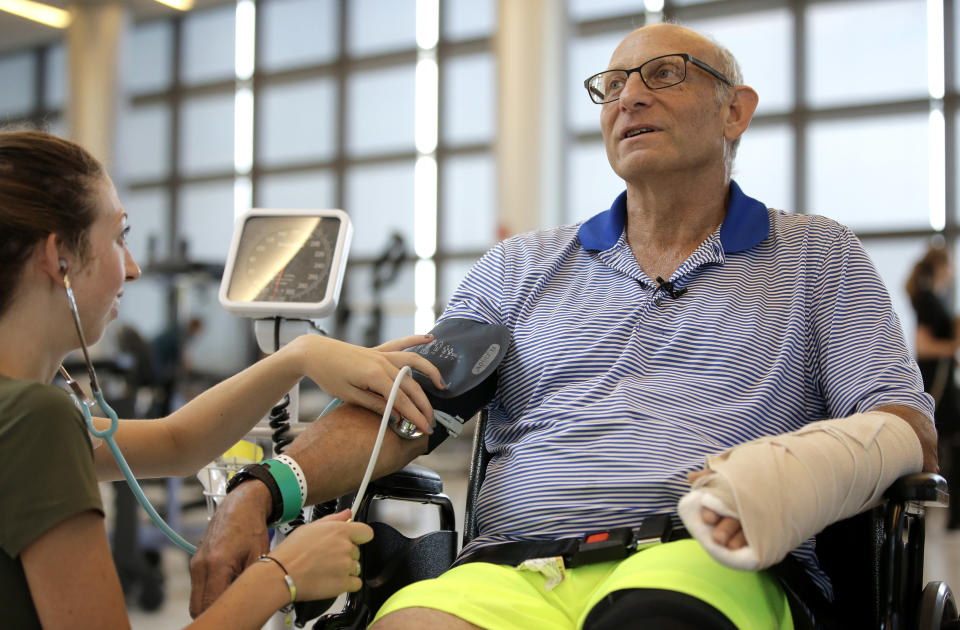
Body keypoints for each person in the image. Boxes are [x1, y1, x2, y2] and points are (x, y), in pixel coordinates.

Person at [190, 23, 938, 630]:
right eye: (612, 86)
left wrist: (784, 478)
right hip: (510, 567)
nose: (629, 98)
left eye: (663, 74)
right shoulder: (520, 269)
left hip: (704, 555)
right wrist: (259, 489)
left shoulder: (815, 255)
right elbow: (406, 411)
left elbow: (900, 425)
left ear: (735, 110)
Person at [0, 130, 446, 629]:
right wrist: (284, 575)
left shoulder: (19, 411)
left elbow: (175, 442)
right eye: (118, 236)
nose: (133, 267)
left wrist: (298, 356)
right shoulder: (38, 420)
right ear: (58, 258)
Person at [907, 245, 960, 530]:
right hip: (935, 385)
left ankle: (954, 517)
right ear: (939, 267)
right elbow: (924, 346)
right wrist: (953, 345)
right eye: (949, 265)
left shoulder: (934, 298)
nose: (952, 271)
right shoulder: (927, 300)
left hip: (943, 382)